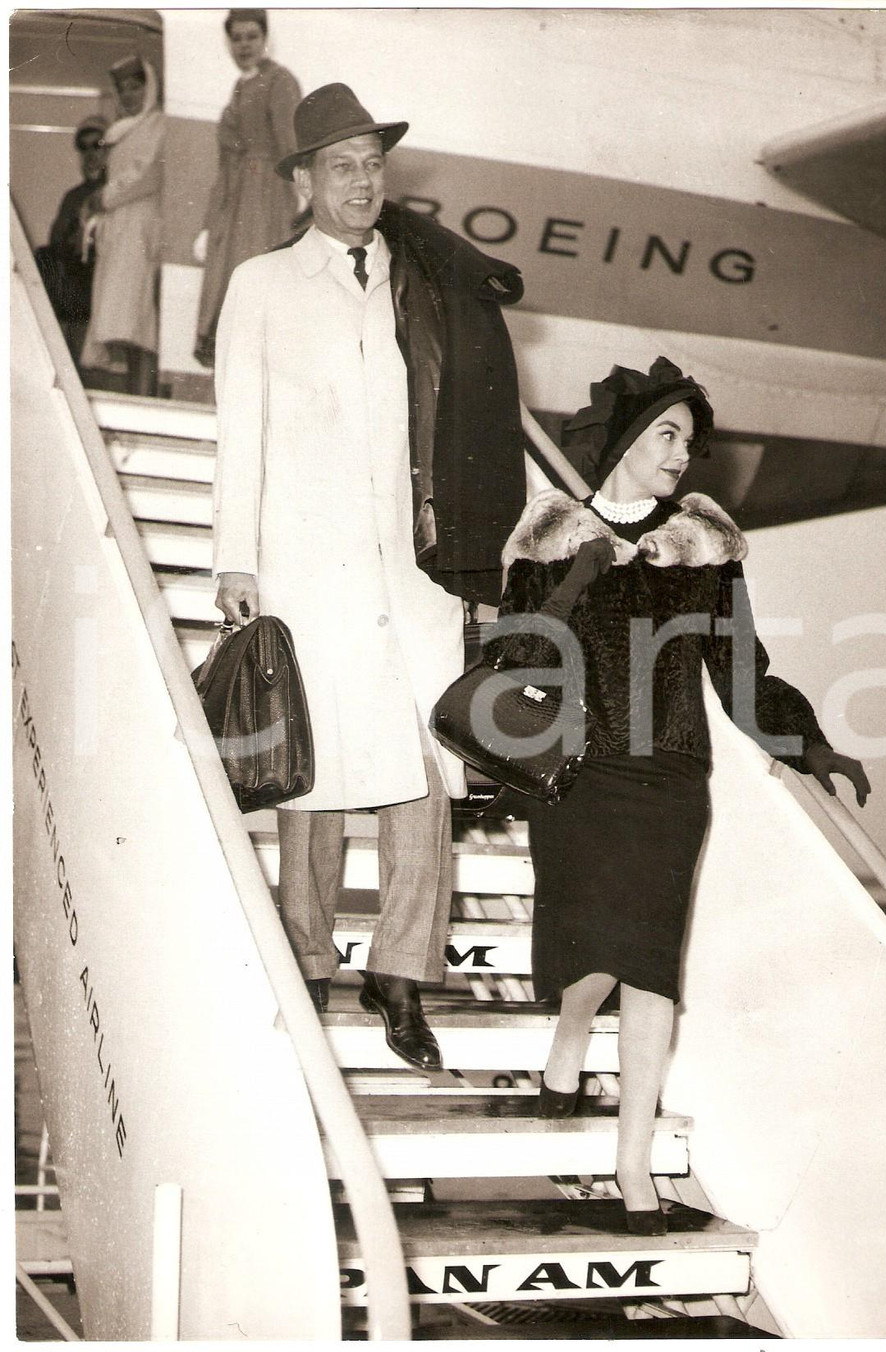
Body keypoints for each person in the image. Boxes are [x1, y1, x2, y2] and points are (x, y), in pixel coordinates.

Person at [492, 357, 870, 1232]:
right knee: (589, 967)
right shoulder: (547, 537)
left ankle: (632, 1171)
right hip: (577, 776)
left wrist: (807, 742)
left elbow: (744, 673)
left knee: (651, 969)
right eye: (667, 435)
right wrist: (583, 571)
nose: (681, 456)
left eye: (689, 442)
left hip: (668, 779)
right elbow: (514, 662)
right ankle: (569, 1038)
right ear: (625, 441)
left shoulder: (702, 545)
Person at [211, 83, 525, 1069]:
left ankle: (400, 974)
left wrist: (474, 543)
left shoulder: (420, 278)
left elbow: (471, 417)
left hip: (412, 562)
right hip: (308, 559)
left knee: (419, 769)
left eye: (371, 164)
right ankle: (306, 958)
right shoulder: (260, 285)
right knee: (314, 768)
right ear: (302, 180)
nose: (360, 181)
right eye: (340, 165)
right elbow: (241, 433)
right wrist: (235, 555)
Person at [192, 9, 301, 369]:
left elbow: (290, 145)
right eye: (237, 38)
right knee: (228, 287)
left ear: (265, 38)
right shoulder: (240, 86)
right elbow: (224, 167)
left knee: (254, 285)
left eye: (251, 37)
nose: (244, 45)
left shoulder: (280, 81)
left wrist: (299, 196)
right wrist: (209, 224)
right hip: (234, 199)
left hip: (264, 197)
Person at [80, 55, 164, 397]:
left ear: (150, 88)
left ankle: (142, 403)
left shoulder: (159, 124)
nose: (129, 96)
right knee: (121, 330)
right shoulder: (120, 131)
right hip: (120, 233)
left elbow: (146, 174)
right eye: (123, 89)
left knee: (138, 330)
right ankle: (131, 400)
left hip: (141, 231)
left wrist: (104, 197)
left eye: (136, 87)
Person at [34, 115, 108, 365]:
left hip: (103, 285)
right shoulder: (73, 197)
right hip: (75, 287)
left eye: (97, 146)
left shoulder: (117, 191)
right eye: (84, 148)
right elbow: (56, 242)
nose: (90, 155)